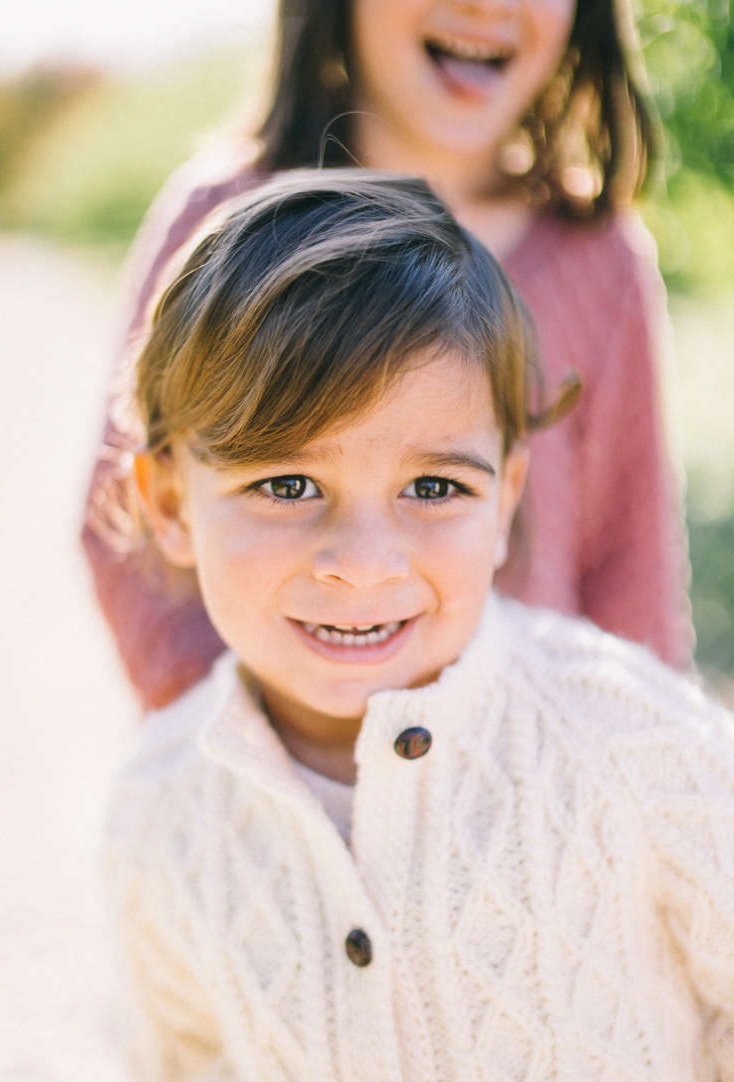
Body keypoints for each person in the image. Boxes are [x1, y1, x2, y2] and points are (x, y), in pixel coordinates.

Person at [108, 172, 734, 1082]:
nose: (362, 561)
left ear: (506, 497)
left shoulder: (629, 742)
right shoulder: (160, 809)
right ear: (170, 499)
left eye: (432, 488)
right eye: (285, 484)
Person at [83, 0, 693, 712]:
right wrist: (271, 749)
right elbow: (122, 531)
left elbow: (630, 568)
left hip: (523, 783)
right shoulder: (227, 219)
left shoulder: (598, 259)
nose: (487, 5)